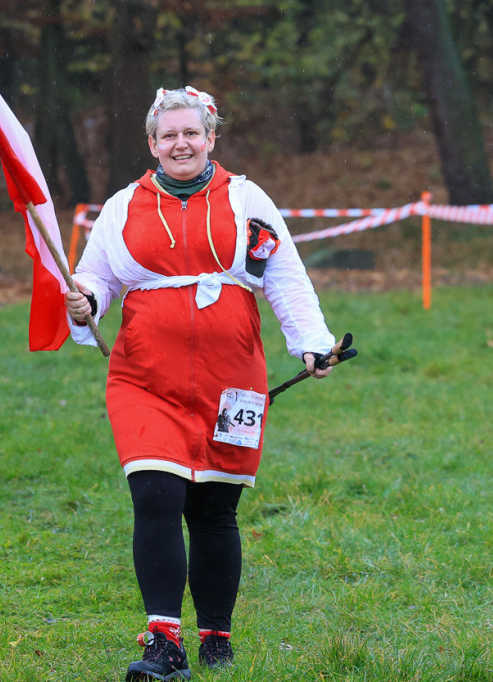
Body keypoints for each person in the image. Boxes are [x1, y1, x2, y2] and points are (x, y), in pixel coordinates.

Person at [64, 87, 337, 681]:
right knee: (156, 496)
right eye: (169, 135)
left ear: (212, 137)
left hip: (231, 377)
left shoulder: (246, 198)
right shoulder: (121, 206)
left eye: (192, 133)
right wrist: (85, 300)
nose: (180, 143)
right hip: (144, 376)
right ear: (152, 144)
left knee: (214, 509)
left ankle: (217, 632)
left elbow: (284, 274)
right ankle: (164, 640)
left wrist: (311, 342)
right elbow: (96, 275)